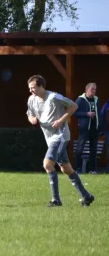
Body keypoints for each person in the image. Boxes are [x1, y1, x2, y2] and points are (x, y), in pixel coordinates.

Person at [26, 75, 95, 207]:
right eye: (29, 88)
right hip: (49, 137)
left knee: (47, 164)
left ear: (41, 86)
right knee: (66, 169)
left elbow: (73, 106)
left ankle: (56, 200)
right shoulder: (31, 99)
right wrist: (32, 119)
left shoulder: (54, 97)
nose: (31, 91)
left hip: (60, 136)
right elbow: (29, 113)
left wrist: (60, 121)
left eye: (33, 88)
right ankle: (86, 196)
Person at [74, 83, 100, 173]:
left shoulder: (96, 99)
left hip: (94, 128)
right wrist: (86, 114)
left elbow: (99, 114)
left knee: (93, 149)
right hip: (84, 128)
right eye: (92, 89)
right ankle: (78, 169)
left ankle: (92, 170)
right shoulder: (80, 100)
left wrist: (99, 126)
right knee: (80, 149)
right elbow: (74, 112)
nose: (94, 91)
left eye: (95, 89)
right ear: (86, 89)